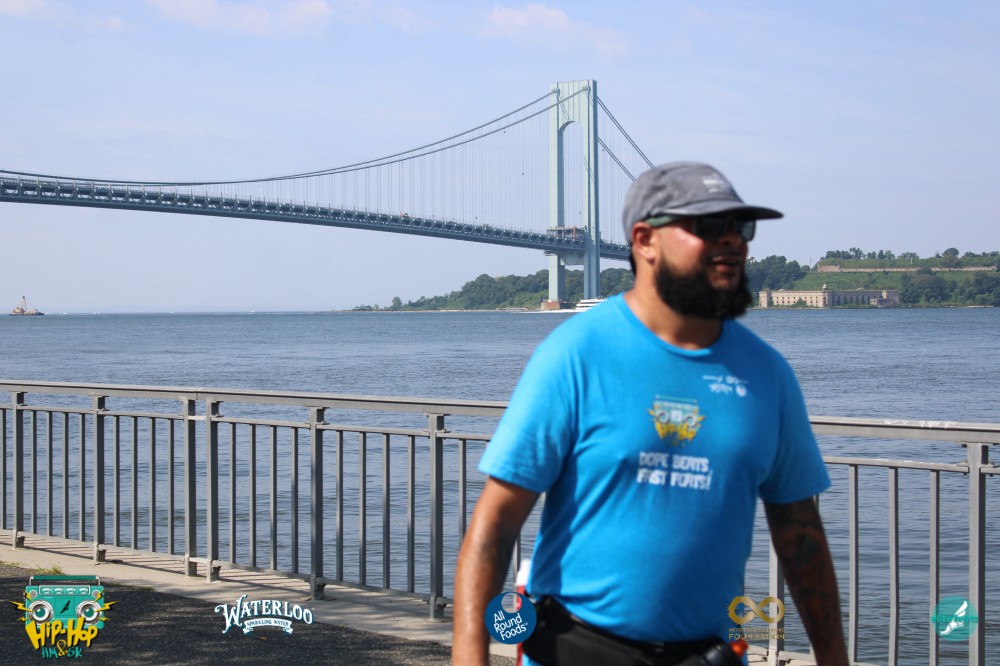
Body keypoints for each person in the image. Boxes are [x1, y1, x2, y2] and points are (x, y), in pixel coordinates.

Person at [452, 162, 849, 666]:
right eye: (709, 226)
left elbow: (800, 534)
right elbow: (495, 526)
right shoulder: (576, 355)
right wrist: (469, 656)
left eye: (740, 226)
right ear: (644, 240)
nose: (732, 240)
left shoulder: (767, 375)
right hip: (575, 652)